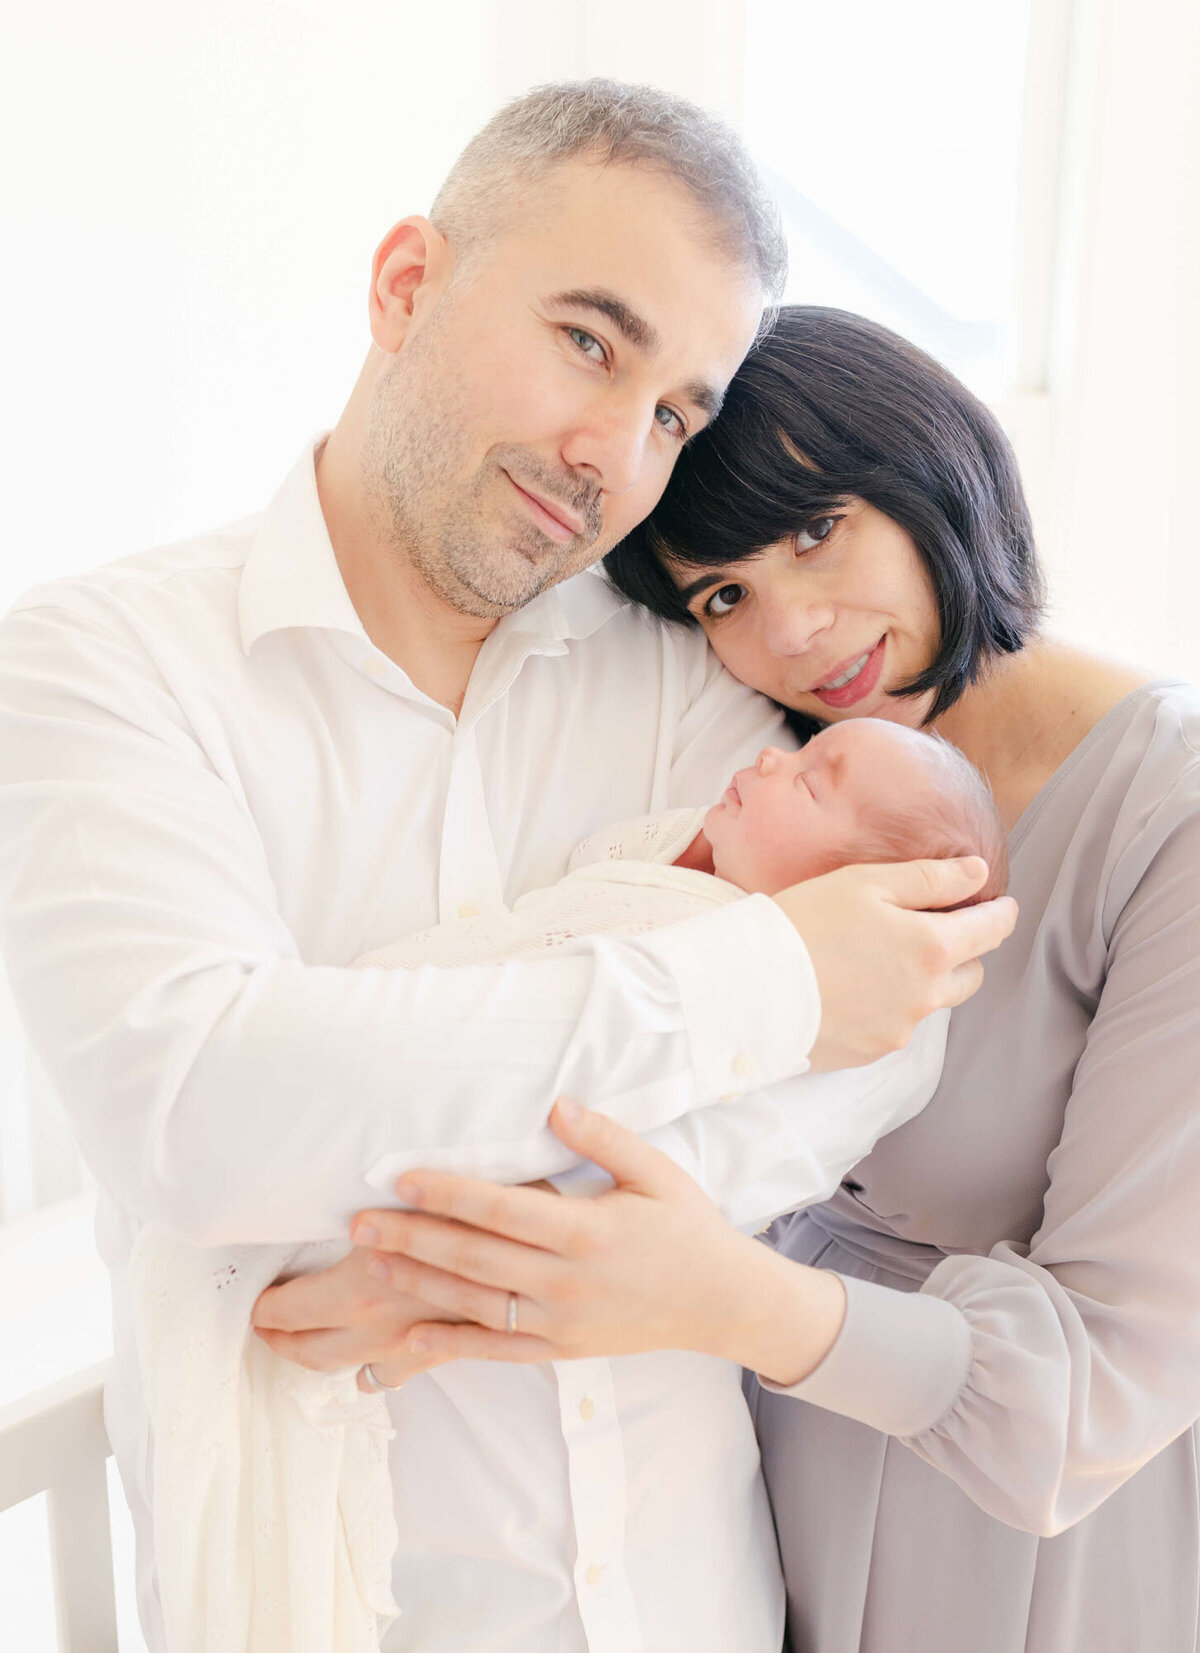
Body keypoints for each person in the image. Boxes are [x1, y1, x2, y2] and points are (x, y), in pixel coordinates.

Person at [0, 83, 1014, 1653]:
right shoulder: (100, 667)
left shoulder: (683, 673)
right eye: (590, 341)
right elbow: (202, 1111)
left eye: (675, 413)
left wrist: (548, 1267)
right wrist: (759, 982)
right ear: (407, 284)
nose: (615, 453)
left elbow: (889, 1019)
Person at [351, 304, 1200, 1653]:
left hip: (1024, 1569)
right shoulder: (777, 789)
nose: (795, 630)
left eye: (816, 531)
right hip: (752, 1538)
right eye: (723, 596)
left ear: (934, 465)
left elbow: (1109, 1376)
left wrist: (714, 1293)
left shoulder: (1166, 820)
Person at [139, 716, 1006, 1650]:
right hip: (455, 1549)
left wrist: (454, 1271)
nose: (768, 755)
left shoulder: (844, 1034)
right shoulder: (671, 871)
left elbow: (722, 1149)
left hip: (681, 1576)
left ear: (868, 897)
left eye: (811, 780)